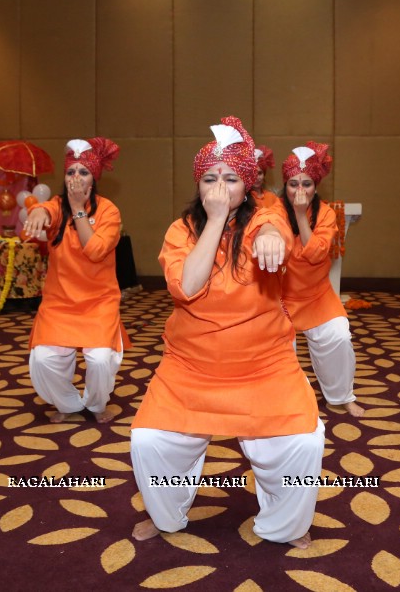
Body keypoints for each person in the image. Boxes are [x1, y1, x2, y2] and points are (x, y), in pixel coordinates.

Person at [129, 116, 325, 550]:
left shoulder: (265, 215)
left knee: (305, 441)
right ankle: (166, 514)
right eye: (211, 178)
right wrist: (215, 220)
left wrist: (273, 234)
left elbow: (274, 225)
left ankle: (286, 523)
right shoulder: (181, 230)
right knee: (148, 439)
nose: (220, 187)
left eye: (232, 178)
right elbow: (186, 287)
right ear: (199, 185)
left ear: (249, 185)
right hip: (191, 367)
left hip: (264, 365)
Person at [21, 138, 123, 424]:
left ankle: (95, 404)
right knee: (43, 360)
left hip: (98, 302)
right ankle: (67, 404)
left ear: (95, 177)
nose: (75, 178)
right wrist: (38, 212)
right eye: (70, 172)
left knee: (101, 360)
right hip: (60, 303)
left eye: (83, 172)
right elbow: (43, 210)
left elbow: (95, 251)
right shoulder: (55, 205)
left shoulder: (108, 212)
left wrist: (79, 210)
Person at [274, 142, 363, 417]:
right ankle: (285, 400)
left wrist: (301, 215)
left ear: (316, 186)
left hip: (316, 296)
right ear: (284, 185)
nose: (299, 191)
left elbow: (316, 253)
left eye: (307, 184)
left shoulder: (324, 213)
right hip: (279, 298)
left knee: (338, 336)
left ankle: (342, 395)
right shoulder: (273, 210)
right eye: (293, 184)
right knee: (276, 347)